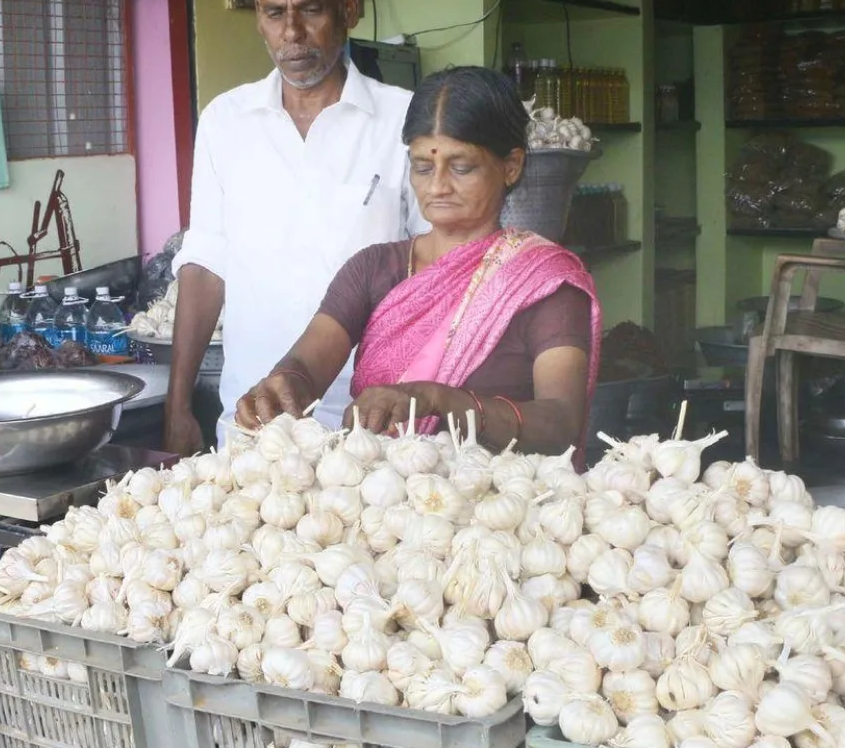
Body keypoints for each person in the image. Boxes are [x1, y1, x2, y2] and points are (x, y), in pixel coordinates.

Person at [236, 66, 602, 457]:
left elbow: (560, 423)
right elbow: (307, 364)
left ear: (511, 166)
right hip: (380, 507)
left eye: (461, 167)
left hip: (502, 505)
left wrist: (439, 400)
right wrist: (284, 384)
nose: (437, 186)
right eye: (422, 167)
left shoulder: (544, 284)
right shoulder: (374, 269)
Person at [164, 0, 424, 455]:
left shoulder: (404, 121)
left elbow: (437, 273)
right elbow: (205, 265)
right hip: (255, 423)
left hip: (374, 430)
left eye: (311, 8)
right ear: (258, 17)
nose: (292, 33)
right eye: (274, 12)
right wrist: (178, 404)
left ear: (348, 10)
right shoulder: (225, 122)